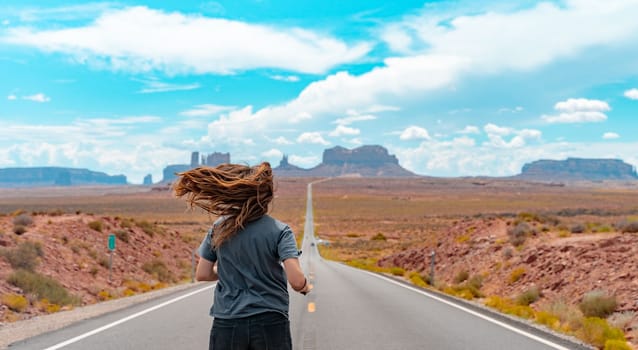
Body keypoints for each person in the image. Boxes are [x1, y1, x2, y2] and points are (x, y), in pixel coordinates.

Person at [173, 162, 311, 350]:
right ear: (265, 198)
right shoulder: (280, 231)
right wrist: (305, 286)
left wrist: (231, 272)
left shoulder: (219, 228)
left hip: (227, 322)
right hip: (270, 321)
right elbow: (296, 280)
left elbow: (203, 274)